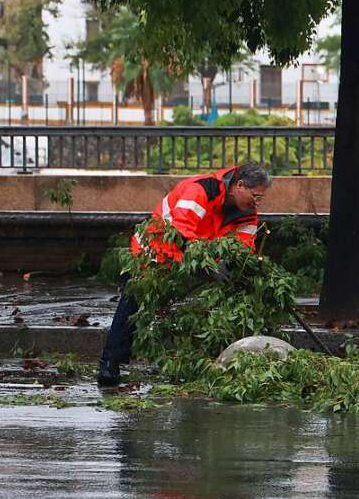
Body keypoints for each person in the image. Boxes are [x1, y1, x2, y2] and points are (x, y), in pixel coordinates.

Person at [97, 161, 271, 385]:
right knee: (132, 304)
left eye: (260, 198)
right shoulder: (201, 190)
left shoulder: (247, 213)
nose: (257, 203)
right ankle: (110, 364)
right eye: (255, 196)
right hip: (152, 252)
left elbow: (243, 248)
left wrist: (234, 266)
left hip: (190, 260)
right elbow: (181, 233)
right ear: (239, 185)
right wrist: (209, 265)